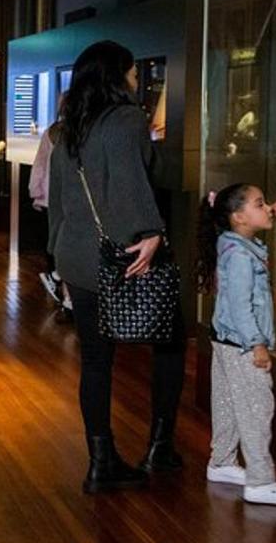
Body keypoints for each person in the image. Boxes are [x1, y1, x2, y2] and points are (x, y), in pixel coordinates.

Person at [47, 40, 185, 494]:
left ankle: (101, 458)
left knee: (95, 359)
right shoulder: (126, 119)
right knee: (169, 339)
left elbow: (60, 199)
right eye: (131, 71)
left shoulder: (67, 128)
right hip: (125, 254)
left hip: (76, 254)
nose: (134, 78)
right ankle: (159, 446)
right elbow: (132, 181)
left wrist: (58, 254)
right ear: (118, 74)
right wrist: (152, 231)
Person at [198, 183, 276, 506]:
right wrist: (256, 344)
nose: (266, 207)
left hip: (225, 339)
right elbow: (242, 306)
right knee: (257, 407)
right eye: (260, 204)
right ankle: (260, 479)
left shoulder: (231, 244)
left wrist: (274, 211)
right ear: (239, 217)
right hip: (243, 344)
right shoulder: (242, 257)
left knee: (227, 403)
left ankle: (222, 462)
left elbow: (234, 304)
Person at [30, 113, 72, 320]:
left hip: (50, 198)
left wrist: (36, 193)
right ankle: (64, 293)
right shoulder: (80, 134)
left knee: (55, 245)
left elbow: (40, 165)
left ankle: (60, 284)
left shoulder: (53, 133)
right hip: (69, 201)